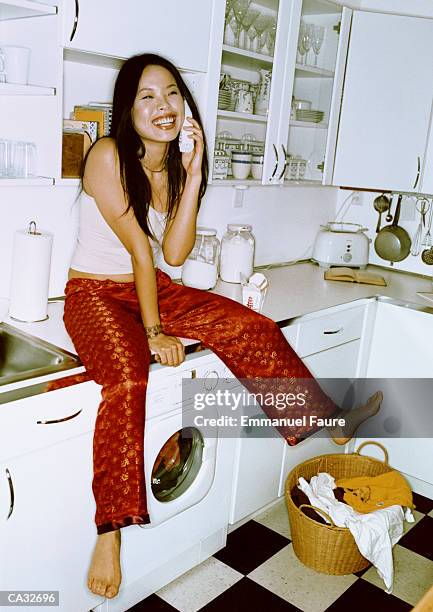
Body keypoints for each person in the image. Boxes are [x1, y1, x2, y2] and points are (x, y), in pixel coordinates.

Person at [63, 53, 382, 600]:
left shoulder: (169, 167)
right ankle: (111, 531)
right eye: (146, 96)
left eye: (170, 94)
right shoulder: (107, 155)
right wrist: (155, 331)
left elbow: (176, 252)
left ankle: (329, 420)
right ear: (127, 108)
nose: (162, 106)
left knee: (252, 327)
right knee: (127, 378)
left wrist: (195, 171)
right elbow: (141, 250)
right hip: (94, 294)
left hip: (152, 288)